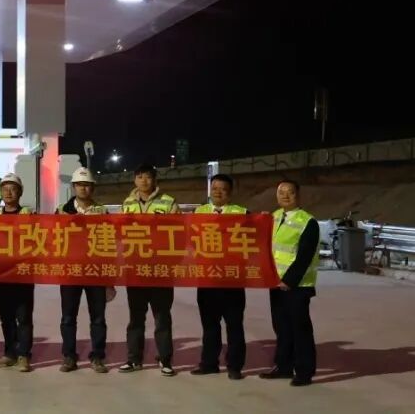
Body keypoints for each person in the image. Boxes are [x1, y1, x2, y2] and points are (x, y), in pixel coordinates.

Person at [119, 163, 180, 376]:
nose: (144, 181)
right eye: (139, 177)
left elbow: (179, 234)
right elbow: (120, 233)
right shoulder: (127, 203)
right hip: (135, 269)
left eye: (148, 177)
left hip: (161, 269)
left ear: (155, 180)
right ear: (134, 180)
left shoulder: (168, 202)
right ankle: (134, 359)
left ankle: (165, 359)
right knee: (136, 317)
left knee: (162, 317)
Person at [259, 179, 319, 387]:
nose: (285, 196)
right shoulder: (273, 217)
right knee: (281, 327)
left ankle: (304, 371)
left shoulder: (308, 222)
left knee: (300, 329)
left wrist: (289, 280)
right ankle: (283, 366)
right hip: (276, 283)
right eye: (281, 192)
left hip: (297, 286)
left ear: (298, 195)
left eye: (290, 192)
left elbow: (305, 256)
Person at [56, 166, 113, 374]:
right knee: (68, 318)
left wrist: (109, 279)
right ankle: (69, 356)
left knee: (98, 318)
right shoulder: (61, 211)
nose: (83, 188)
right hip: (70, 271)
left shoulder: (102, 211)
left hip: (95, 271)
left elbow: (109, 245)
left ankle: (97, 356)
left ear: (93, 188)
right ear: (73, 187)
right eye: (80, 185)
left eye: (87, 185)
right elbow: (52, 240)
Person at [192, 174, 248, 380]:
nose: (218, 192)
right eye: (214, 188)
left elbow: (255, 239)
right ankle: (209, 363)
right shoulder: (199, 212)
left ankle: (235, 366)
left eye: (223, 189)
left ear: (230, 192)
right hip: (207, 279)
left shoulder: (243, 213)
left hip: (232, 280)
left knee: (234, 325)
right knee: (209, 325)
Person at [0, 173, 35, 372]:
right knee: (6, 317)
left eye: (13, 189)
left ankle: (24, 355)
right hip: (2, 274)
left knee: (23, 316)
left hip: (23, 273)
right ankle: (10, 353)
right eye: (5, 189)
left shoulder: (29, 215)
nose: (8, 193)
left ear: (20, 192)